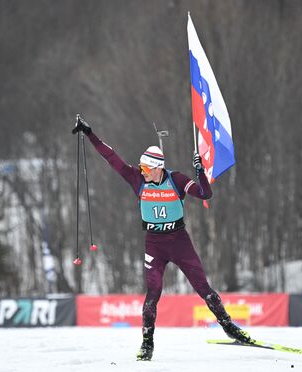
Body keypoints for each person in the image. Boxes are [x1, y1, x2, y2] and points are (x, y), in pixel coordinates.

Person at [73, 116, 252, 361]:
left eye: (146, 168)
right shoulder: (137, 179)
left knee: (203, 288)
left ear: (158, 168)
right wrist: (90, 133)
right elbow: (111, 157)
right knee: (153, 292)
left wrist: (200, 171)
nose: (142, 171)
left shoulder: (176, 179)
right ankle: (147, 343)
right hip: (154, 244)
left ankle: (230, 327)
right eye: (141, 168)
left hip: (179, 241)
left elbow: (205, 194)